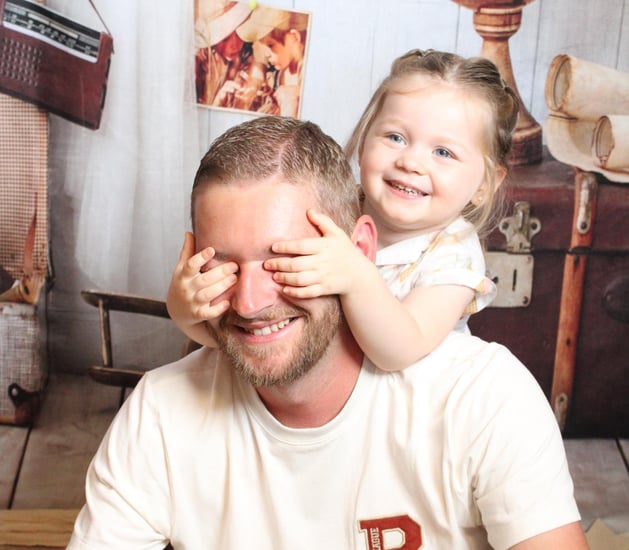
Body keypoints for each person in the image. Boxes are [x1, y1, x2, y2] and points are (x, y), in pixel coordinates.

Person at [68, 116, 587, 549]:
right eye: (223, 267)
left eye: (283, 262)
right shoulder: (159, 412)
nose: (249, 303)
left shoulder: (483, 397)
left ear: (359, 252)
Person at [169, 49, 511, 372]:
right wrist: (186, 313)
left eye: (443, 153)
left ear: (484, 184)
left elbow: (398, 353)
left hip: (402, 401)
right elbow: (240, 335)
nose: (410, 162)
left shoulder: (454, 256)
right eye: (395, 137)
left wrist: (357, 277)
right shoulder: (331, 208)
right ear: (363, 142)